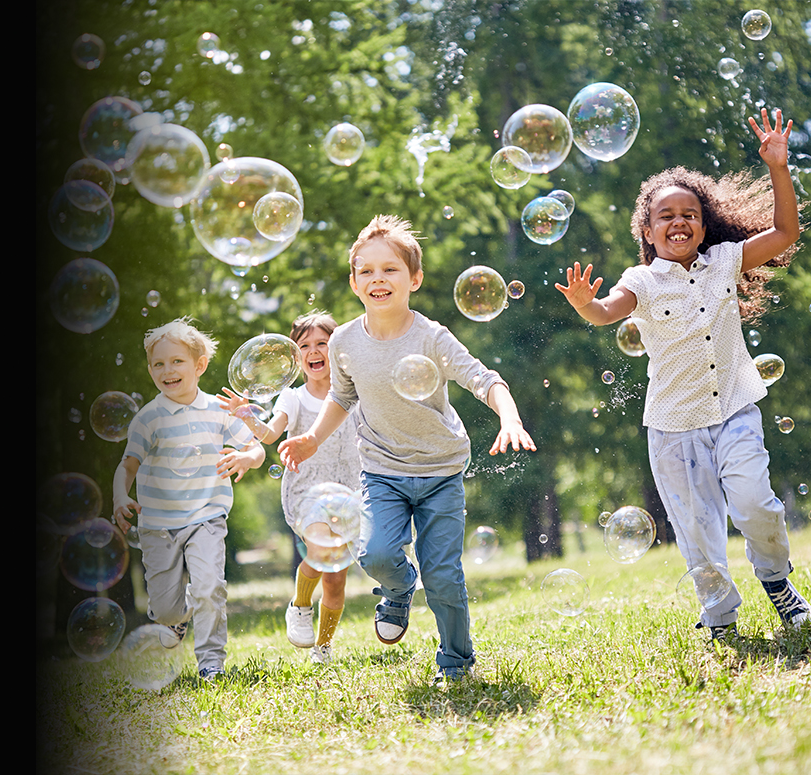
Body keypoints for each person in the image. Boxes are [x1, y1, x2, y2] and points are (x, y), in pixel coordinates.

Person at [555, 107, 808, 641]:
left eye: (689, 213)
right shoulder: (641, 280)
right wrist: (584, 304)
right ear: (647, 230)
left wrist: (778, 168)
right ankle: (719, 618)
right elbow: (606, 311)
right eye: (665, 215)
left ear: (704, 223)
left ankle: (778, 583)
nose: (678, 221)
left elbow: (787, 231)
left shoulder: (726, 260)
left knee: (756, 504)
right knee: (697, 534)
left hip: (735, 408)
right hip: (674, 428)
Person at [279, 215, 536, 683]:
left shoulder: (431, 336)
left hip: (440, 469)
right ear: (354, 282)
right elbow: (341, 396)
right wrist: (312, 438)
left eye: (390, 269)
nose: (378, 278)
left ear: (413, 278)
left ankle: (456, 663)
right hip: (381, 470)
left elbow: (484, 379)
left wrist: (510, 417)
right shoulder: (344, 341)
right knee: (374, 554)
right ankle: (397, 590)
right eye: (367, 271)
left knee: (443, 577)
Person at [112, 317, 266, 680]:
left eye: (176, 361)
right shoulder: (148, 419)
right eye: (158, 364)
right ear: (150, 369)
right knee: (165, 608)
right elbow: (127, 464)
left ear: (199, 366)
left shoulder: (218, 410)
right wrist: (120, 495)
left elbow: (255, 447)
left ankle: (211, 663)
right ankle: (176, 621)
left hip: (206, 518)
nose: (167, 370)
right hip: (158, 526)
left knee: (210, 587)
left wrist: (247, 457)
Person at [218, 311, 362, 665]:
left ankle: (323, 647)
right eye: (305, 346)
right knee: (319, 552)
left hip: (350, 490)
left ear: (338, 349)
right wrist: (247, 416)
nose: (314, 352)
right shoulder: (292, 399)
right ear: (297, 358)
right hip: (307, 489)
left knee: (336, 580)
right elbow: (269, 434)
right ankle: (300, 606)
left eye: (322, 344)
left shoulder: (356, 392)